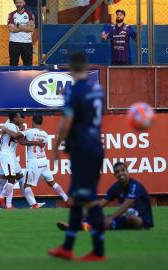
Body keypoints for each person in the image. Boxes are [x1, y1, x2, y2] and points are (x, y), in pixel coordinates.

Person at [48, 52, 106, 261]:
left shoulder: (74, 90)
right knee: (75, 198)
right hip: (95, 147)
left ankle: (98, 251)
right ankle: (67, 247)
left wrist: (55, 148)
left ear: (70, 68)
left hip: (83, 149)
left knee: (88, 199)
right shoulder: (97, 89)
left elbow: (67, 122)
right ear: (87, 66)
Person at [57, 162, 154, 232]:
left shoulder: (134, 185)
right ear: (115, 175)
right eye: (117, 172)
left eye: (123, 170)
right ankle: (76, 226)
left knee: (130, 218)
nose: (120, 174)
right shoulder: (116, 187)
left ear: (127, 171)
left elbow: (126, 206)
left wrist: (110, 218)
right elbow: (102, 203)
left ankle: (86, 226)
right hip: (126, 219)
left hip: (142, 221)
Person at [19, 115, 69, 208]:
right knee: (52, 183)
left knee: (26, 185)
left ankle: (34, 204)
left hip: (34, 162)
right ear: (41, 122)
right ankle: (66, 199)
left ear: (33, 121)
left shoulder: (29, 131)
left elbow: (21, 141)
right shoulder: (45, 134)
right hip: (43, 161)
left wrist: (20, 129)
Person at [7, 0, 35, 66]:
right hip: (14, 42)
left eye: (20, 2)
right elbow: (11, 29)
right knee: (13, 64)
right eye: (17, 3)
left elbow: (31, 28)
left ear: (24, 3)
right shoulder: (11, 14)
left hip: (27, 43)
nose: (18, 4)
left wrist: (18, 25)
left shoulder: (30, 14)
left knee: (28, 65)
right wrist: (25, 27)